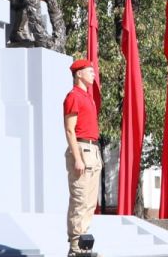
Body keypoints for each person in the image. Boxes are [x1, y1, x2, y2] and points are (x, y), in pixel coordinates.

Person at [64, 59, 101, 257]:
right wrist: (77, 158)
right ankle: (75, 246)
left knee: (89, 202)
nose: (94, 74)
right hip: (82, 148)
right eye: (90, 71)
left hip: (93, 149)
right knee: (79, 199)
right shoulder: (73, 96)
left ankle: (83, 242)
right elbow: (70, 129)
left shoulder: (88, 97)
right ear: (79, 74)